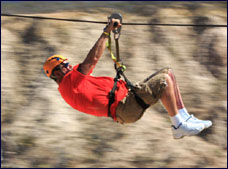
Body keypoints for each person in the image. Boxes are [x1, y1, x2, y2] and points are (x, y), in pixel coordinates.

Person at [43, 19, 212, 139]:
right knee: (163, 81)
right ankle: (178, 126)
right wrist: (106, 33)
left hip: (125, 100)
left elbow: (90, 72)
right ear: (56, 74)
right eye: (63, 66)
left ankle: (185, 118)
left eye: (67, 63)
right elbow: (91, 60)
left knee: (168, 72)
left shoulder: (73, 83)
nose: (68, 66)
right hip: (124, 107)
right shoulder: (69, 83)